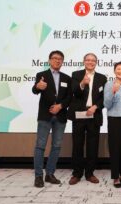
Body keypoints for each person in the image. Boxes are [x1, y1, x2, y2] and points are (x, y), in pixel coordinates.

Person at [32, 50, 72, 188]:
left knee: (56, 146)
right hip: (45, 115)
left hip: (60, 116)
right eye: (55, 58)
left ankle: (50, 174)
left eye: (60, 59)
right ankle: (38, 176)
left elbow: (69, 97)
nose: (57, 61)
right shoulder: (41, 75)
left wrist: (60, 106)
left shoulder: (67, 78)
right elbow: (35, 90)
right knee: (40, 146)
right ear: (49, 60)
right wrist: (37, 86)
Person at [67, 53, 107, 185]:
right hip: (79, 114)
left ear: (96, 62)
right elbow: (74, 92)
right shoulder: (76, 74)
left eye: (93, 60)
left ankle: (90, 173)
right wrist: (82, 84)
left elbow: (103, 98)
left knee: (92, 145)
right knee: (77, 145)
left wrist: (95, 106)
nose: (90, 62)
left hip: (93, 114)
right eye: (88, 60)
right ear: (84, 61)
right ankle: (77, 173)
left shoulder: (102, 78)